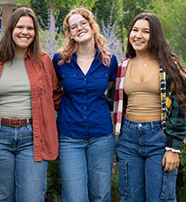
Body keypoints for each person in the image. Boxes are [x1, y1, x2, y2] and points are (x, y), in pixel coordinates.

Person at [0, 7, 61, 202]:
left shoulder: (44, 61)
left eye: (30, 28)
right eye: (20, 27)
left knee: (32, 197)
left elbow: (56, 95)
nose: (25, 32)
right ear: (10, 29)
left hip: (33, 137)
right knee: (3, 196)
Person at [113, 13, 186, 202]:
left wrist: (173, 148)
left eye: (145, 31)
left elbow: (181, 108)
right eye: (135, 30)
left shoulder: (171, 66)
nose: (138, 35)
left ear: (155, 36)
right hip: (128, 139)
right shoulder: (123, 66)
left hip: (159, 138)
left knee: (161, 198)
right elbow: (113, 101)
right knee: (130, 198)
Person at [52, 7, 118, 202]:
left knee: (100, 195)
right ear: (70, 34)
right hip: (70, 137)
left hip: (101, 137)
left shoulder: (109, 61)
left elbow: (114, 93)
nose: (79, 28)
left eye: (83, 23)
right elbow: (53, 91)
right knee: (74, 197)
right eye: (73, 27)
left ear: (92, 26)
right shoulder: (60, 61)